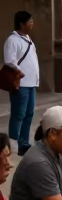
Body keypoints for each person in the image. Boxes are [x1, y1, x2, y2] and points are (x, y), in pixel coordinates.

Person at [3, 10, 40, 156]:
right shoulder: (13, 40)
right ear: (21, 24)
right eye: (29, 21)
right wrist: (19, 71)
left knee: (29, 113)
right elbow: (9, 60)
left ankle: (24, 142)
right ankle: (13, 143)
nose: (32, 24)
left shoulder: (28, 39)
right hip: (21, 83)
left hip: (31, 83)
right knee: (18, 114)